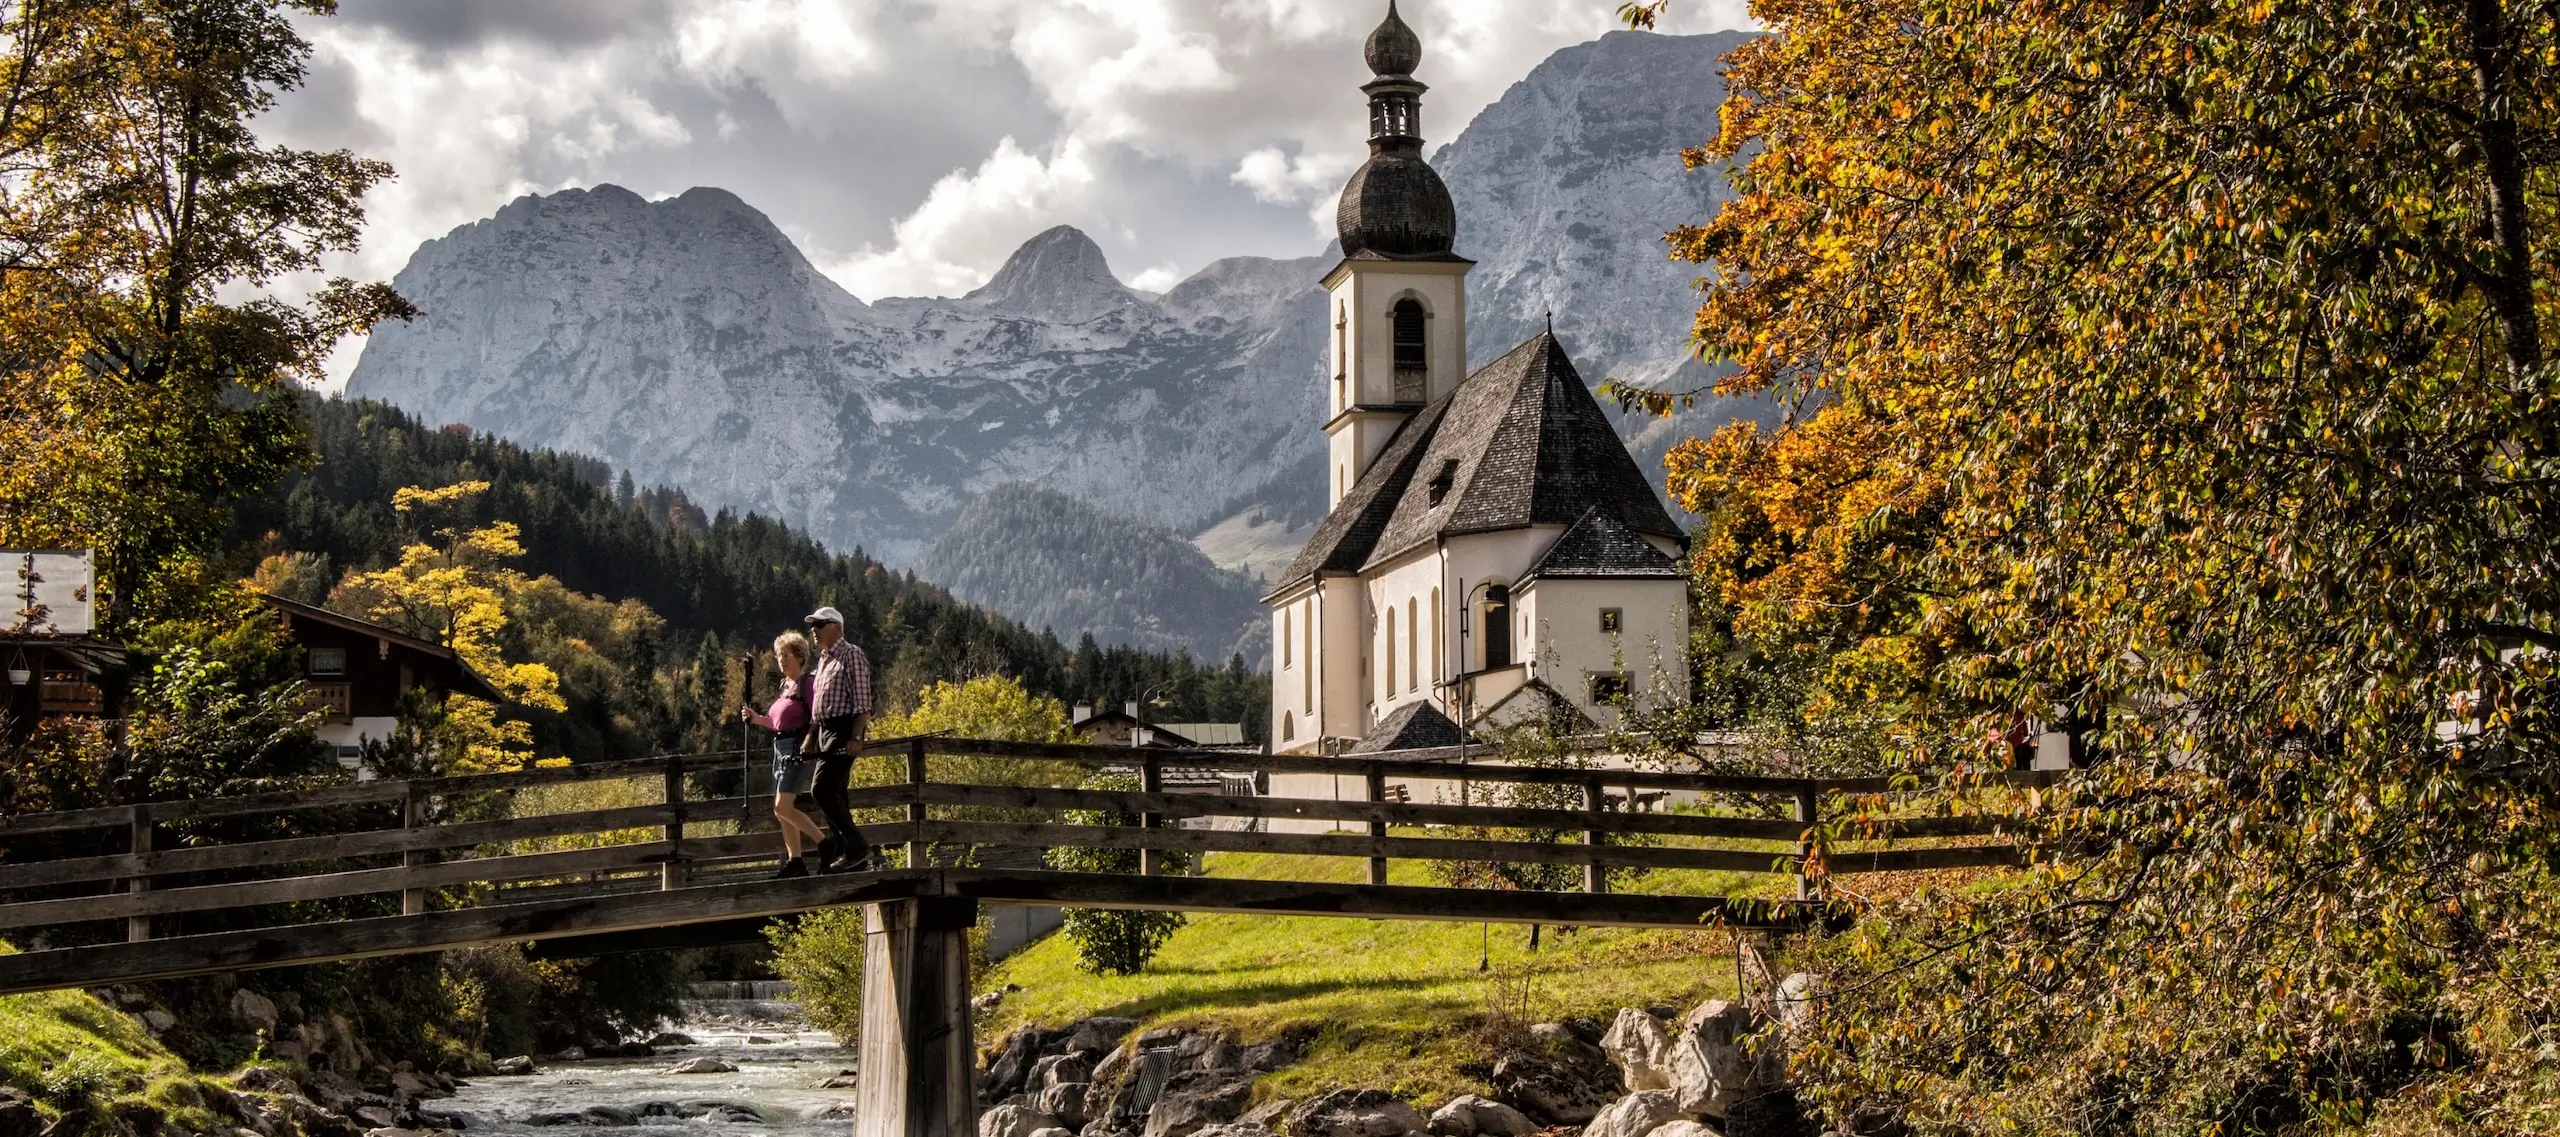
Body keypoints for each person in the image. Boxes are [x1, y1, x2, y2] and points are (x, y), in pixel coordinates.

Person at [741, 632, 825, 877]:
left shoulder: (806, 684)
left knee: (782, 806)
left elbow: (817, 717)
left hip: (796, 750)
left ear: (798, 656)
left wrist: (809, 743)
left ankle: (824, 844)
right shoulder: (785, 686)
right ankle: (795, 860)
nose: (781, 660)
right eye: (779, 655)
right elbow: (778, 724)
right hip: (780, 749)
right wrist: (756, 719)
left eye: (785, 655)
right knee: (781, 810)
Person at [800, 605, 874, 872]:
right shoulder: (824, 659)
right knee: (837, 793)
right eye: (813, 626)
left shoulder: (851, 654)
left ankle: (856, 846)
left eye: (819, 625)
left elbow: (862, 701)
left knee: (820, 789)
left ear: (836, 627)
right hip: (825, 731)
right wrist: (811, 736)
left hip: (843, 730)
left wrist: (856, 735)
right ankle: (849, 853)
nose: (814, 630)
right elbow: (818, 705)